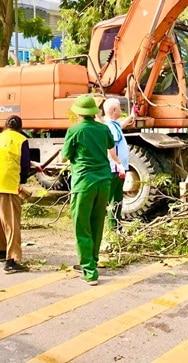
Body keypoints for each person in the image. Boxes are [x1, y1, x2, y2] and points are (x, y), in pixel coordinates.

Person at [61, 95, 124, 285]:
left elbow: (65, 157)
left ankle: (89, 270)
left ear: (78, 113)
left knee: (82, 225)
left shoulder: (74, 130)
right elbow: (110, 148)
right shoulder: (104, 129)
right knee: (97, 224)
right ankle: (93, 261)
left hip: (84, 183)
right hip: (103, 181)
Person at [0, 115, 30, 274]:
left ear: (5, 125)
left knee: (0, 219)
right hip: (8, 182)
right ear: (20, 127)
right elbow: (24, 164)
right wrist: (23, 179)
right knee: (12, 222)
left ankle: (2, 250)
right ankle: (12, 260)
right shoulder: (21, 140)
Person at [102, 98, 133, 232]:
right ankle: (113, 227)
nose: (121, 110)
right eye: (120, 107)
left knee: (118, 197)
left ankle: (116, 225)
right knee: (114, 198)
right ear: (114, 110)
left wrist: (132, 115)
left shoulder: (114, 125)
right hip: (115, 169)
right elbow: (111, 147)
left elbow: (122, 125)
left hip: (119, 168)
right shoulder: (110, 127)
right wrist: (118, 163)